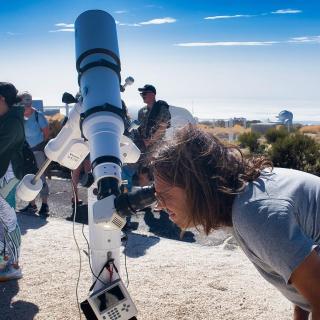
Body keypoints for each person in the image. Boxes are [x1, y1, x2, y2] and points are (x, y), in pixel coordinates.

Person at [152, 125, 320, 319]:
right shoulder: (248, 197)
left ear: (196, 186)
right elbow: (305, 284)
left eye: (163, 195)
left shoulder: (255, 214)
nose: (158, 206)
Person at [0, 82, 24, 281]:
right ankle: (3, 262)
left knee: (8, 220)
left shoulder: (12, 122)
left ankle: (14, 265)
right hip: (3, 175)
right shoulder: (6, 119)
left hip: (7, 176)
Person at [19, 92, 50, 216]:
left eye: (27, 101)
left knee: (41, 178)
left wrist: (41, 148)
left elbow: (46, 133)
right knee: (27, 177)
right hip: (25, 152)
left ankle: (45, 205)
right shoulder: (20, 116)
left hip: (37, 151)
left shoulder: (38, 116)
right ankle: (32, 205)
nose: (25, 103)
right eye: (23, 101)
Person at [134, 84, 171, 186]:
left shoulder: (161, 108)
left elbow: (163, 127)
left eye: (145, 93)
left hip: (157, 147)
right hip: (143, 147)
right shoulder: (141, 112)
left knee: (155, 171)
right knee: (142, 172)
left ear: (153, 94)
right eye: (142, 94)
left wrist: (150, 141)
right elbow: (139, 129)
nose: (142, 95)